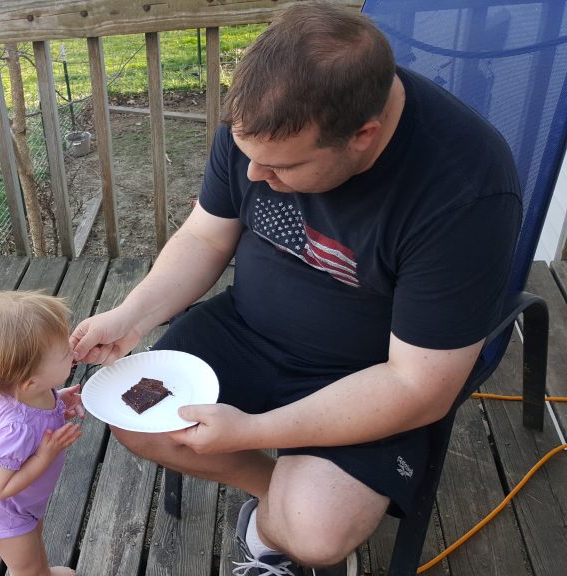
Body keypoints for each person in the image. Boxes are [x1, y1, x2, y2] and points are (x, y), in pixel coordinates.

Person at [70, 3, 521, 575]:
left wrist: (254, 431)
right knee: (138, 424)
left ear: (363, 136)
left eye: (282, 167)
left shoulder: (464, 190)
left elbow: (419, 386)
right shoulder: (265, 121)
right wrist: (131, 318)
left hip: (367, 374)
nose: (257, 177)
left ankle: (272, 527)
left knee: (316, 534)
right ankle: (277, 497)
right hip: (248, 329)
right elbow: (207, 237)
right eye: (248, 155)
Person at [0, 291, 84, 576]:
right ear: (31, 382)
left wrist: (57, 404)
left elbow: (36, 407)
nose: (72, 349)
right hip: (6, 514)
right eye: (65, 353)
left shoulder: (22, 391)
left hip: (25, 504)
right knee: (26, 569)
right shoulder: (14, 428)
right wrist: (44, 457)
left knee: (34, 545)